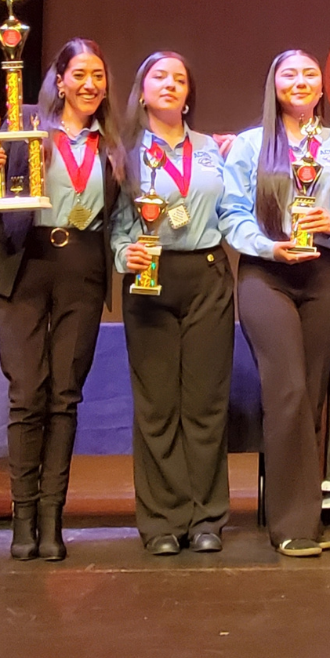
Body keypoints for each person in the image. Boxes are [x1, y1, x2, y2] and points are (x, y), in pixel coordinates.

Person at [220, 50, 330, 557]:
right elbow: (231, 212)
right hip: (266, 272)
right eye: (288, 73)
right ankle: (291, 525)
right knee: (286, 390)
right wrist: (269, 246)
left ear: (321, 87)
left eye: (310, 73)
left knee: (311, 395)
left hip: (323, 274)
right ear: (274, 84)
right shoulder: (250, 145)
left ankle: (307, 518)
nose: (300, 81)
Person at [0, 38, 124, 562]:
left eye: (98, 75)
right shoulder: (27, 123)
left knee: (64, 395)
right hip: (24, 262)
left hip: (82, 267)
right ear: (60, 80)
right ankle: (22, 519)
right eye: (79, 74)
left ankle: (52, 519)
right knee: (26, 393)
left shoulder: (113, 142)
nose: (89, 84)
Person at [111, 52, 235, 557]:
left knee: (205, 405)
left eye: (180, 79)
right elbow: (116, 224)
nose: (170, 84)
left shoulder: (215, 150)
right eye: (159, 77)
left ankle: (207, 518)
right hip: (148, 278)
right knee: (157, 407)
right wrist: (124, 253)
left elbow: (234, 208)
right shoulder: (121, 153)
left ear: (188, 95)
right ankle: (162, 520)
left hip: (207, 275)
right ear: (142, 92)